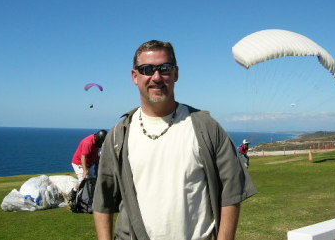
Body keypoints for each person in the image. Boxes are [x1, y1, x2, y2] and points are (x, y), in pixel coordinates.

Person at [93, 40, 257, 240]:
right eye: (147, 69)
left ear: (176, 74)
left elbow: (231, 192)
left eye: (165, 68)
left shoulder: (206, 127)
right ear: (135, 76)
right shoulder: (119, 135)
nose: (156, 77)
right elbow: (103, 200)